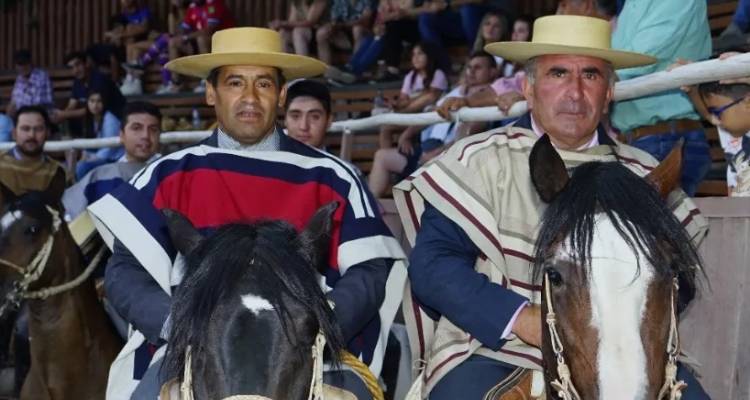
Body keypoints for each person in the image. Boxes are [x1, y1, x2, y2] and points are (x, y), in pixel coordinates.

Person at [393, 15, 710, 399]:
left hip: (629, 351)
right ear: (528, 89)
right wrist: (520, 319)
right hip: (498, 347)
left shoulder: (642, 172)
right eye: (558, 73)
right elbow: (433, 265)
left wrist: (623, 326)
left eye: (590, 75)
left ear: (609, 91)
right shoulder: (477, 160)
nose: (575, 92)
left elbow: (681, 279)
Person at [88, 27, 405, 400]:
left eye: (264, 84)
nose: (250, 98)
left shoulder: (333, 176)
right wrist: (177, 323)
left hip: (309, 349)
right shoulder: (166, 175)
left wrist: (321, 325)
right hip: (191, 348)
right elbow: (125, 271)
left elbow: (369, 272)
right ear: (211, 92)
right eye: (235, 83)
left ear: (282, 94)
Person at [611, 0, 712, 196]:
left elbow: (641, 57)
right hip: (641, 139)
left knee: (647, 223)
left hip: (664, 139)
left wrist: (594, 77)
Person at [369, 50, 498, 198]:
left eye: (478, 67)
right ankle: (371, 213)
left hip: (451, 157)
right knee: (382, 156)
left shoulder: (489, 97)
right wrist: (407, 135)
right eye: (469, 67)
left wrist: (438, 154)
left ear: (493, 72)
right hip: (426, 149)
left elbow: (468, 136)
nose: (471, 71)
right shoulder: (457, 91)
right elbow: (431, 115)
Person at [63, 101, 161, 220]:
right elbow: (68, 216)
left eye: (153, 129)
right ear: (122, 135)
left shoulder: (173, 174)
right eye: (136, 128)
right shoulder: (98, 178)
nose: (145, 135)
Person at [283, 80, 366, 181]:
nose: (303, 126)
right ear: (285, 120)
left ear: (329, 121)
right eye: (295, 116)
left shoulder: (346, 177)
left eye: (314, 117)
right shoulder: (266, 171)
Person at [378, 42, 448, 149]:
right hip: (412, 115)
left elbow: (432, 96)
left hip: (428, 115)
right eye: (413, 55)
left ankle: (399, 114)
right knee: (385, 128)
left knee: (428, 97)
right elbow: (403, 99)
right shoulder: (410, 76)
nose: (415, 58)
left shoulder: (438, 73)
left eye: (420, 54)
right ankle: (386, 154)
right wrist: (395, 103)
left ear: (429, 56)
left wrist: (407, 104)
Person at [165, 0, 236, 94]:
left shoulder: (214, 3)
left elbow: (209, 30)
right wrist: (177, 11)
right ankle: (176, 82)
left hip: (224, 43)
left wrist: (186, 38)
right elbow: (184, 30)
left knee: (201, 39)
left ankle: (206, 80)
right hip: (200, 45)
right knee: (173, 42)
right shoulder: (193, 6)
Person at [0, 105, 66, 200]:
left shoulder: (56, 172)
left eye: (38, 129)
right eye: (25, 129)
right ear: (14, 133)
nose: (31, 135)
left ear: (47, 133)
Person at [53, 51, 126, 135]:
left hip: (115, 118)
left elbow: (94, 108)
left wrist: (64, 114)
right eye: (71, 68)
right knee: (72, 119)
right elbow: (71, 105)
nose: (76, 70)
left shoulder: (99, 79)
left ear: (86, 63)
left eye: (78, 65)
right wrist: (60, 115)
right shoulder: (78, 82)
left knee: (74, 116)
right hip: (98, 119)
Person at [74, 91, 125, 180]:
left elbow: (109, 149)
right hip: (101, 156)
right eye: (92, 101)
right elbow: (89, 144)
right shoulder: (90, 119)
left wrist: (90, 158)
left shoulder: (110, 119)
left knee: (81, 167)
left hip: (114, 159)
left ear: (104, 103)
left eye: (99, 101)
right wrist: (85, 155)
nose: (95, 105)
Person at [6, 49, 53, 116]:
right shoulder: (19, 79)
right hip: (21, 115)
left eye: (25, 63)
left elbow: (41, 103)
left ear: (31, 63)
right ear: (16, 66)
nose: (23, 67)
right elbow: (14, 101)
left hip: (39, 114)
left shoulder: (42, 76)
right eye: (20, 64)